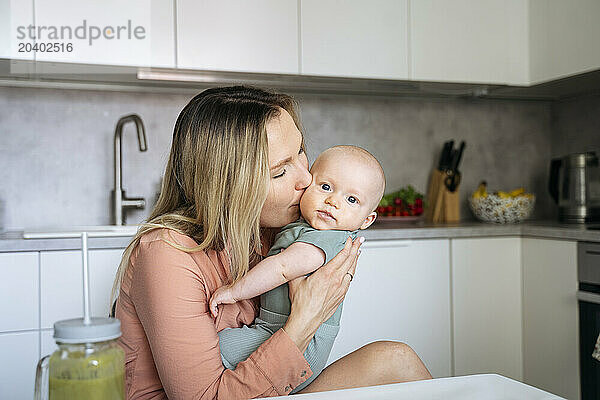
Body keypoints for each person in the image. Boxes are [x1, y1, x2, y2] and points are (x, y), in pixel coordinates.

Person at [111, 86, 432, 400]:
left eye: (301, 152)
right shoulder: (167, 253)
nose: (306, 179)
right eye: (280, 172)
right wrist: (305, 321)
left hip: (269, 388)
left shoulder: (274, 229)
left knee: (396, 359)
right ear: (229, 187)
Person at [209, 145, 386, 393]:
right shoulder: (304, 226)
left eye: (351, 199)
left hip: (301, 341)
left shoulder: (330, 238)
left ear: (367, 220)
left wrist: (234, 292)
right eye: (325, 187)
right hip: (281, 329)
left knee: (212, 350)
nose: (333, 201)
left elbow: (282, 267)